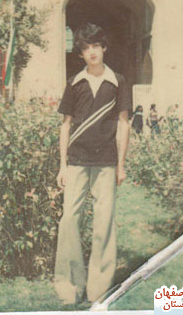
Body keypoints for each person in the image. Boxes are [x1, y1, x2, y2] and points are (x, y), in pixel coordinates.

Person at [54, 23, 131, 304]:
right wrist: (62, 165)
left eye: (96, 46)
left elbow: (124, 124)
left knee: (104, 222)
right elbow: (65, 125)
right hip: (76, 161)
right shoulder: (74, 83)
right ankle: (69, 287)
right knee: (69, 220)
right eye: (86, 48)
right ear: (81, 53)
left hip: (106, 161)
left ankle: (98, 289)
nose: (92, 52)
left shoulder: (118, 82)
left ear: (104, 48)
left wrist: (121, 165)